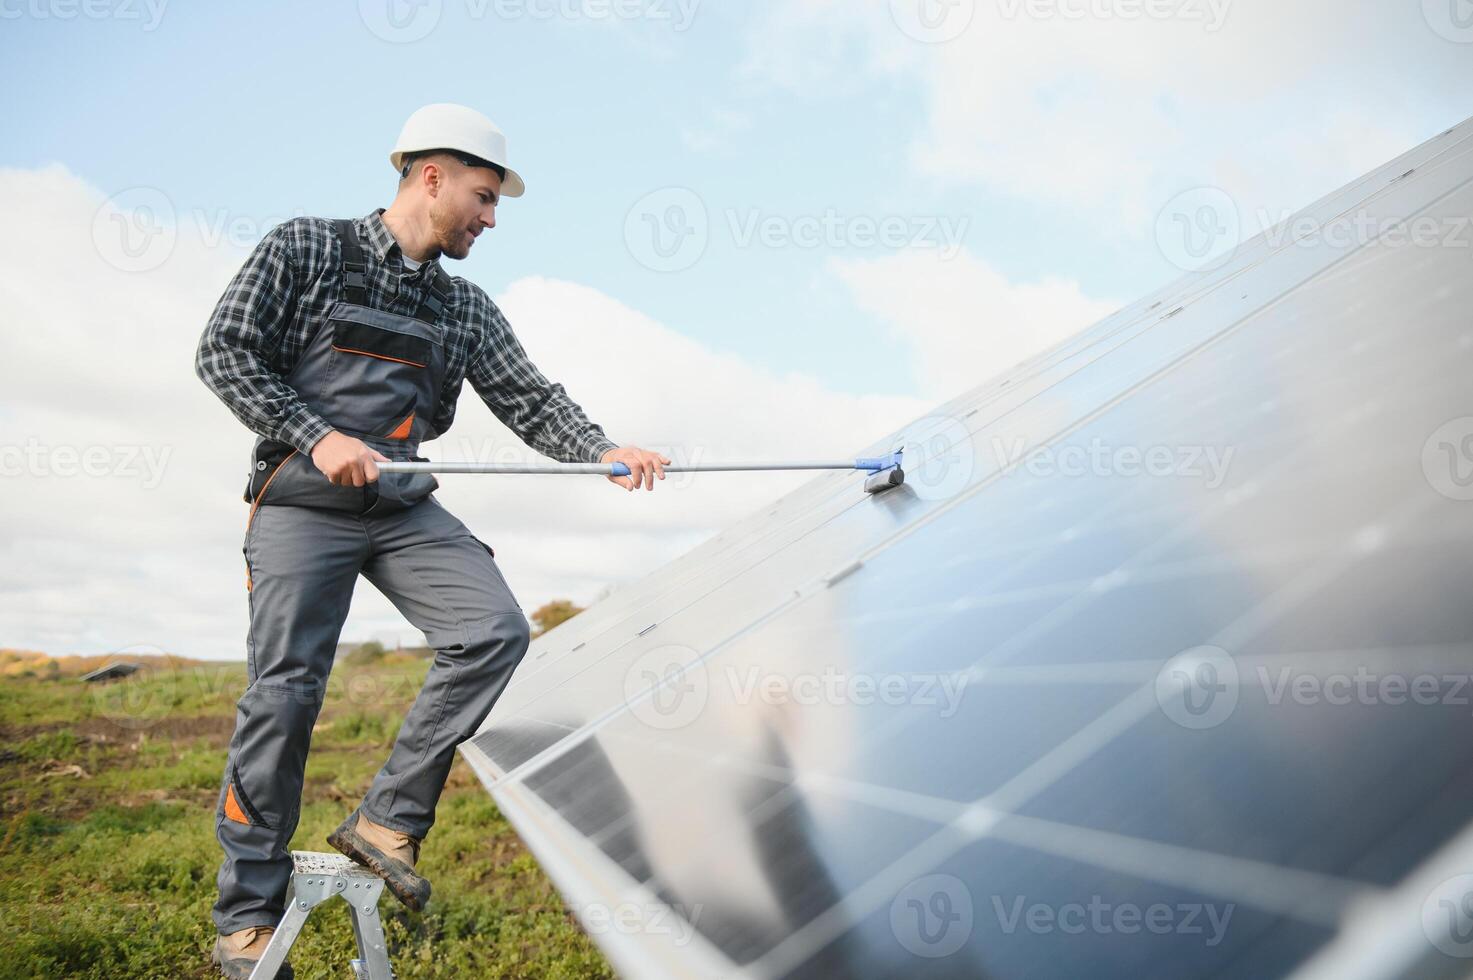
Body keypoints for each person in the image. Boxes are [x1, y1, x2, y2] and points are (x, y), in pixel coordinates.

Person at [194, 102, 669, 979]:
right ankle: (245, 918)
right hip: (301, 500)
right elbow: (224, 351)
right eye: (484, 199)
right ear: (431, 176)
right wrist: (316, 434)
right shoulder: (304, 247)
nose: (490, 219)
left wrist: (604, 448)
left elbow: (530, 398)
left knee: (494, 631)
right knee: (286, 698)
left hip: (401, 502)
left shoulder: (465, 308)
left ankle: (385, 821)